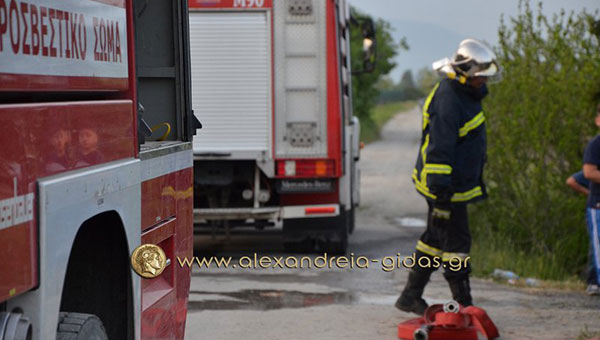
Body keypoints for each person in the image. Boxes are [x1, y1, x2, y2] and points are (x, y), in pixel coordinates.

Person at [395, 38, 501, 314]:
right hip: (446, 188)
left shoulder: (463, 94)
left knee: (435, 237)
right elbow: (440, 150)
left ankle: (410, 296)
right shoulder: (449, 100)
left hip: (453, 187)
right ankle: (464, 303)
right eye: (479, 77)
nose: (483, 82)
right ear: (465, 74)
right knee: (456, 244)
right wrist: (442, 194)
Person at [566, 170, 600, 296]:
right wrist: (590, 193)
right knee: (595, 245)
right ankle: (593, 282)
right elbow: (571, 181)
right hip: (595, 209)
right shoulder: (593, 170)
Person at [581, 103, 600, 297]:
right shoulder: (596, 144)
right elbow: (589, 172)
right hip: (598, 204)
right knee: (597, 245)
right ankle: (594, 280)